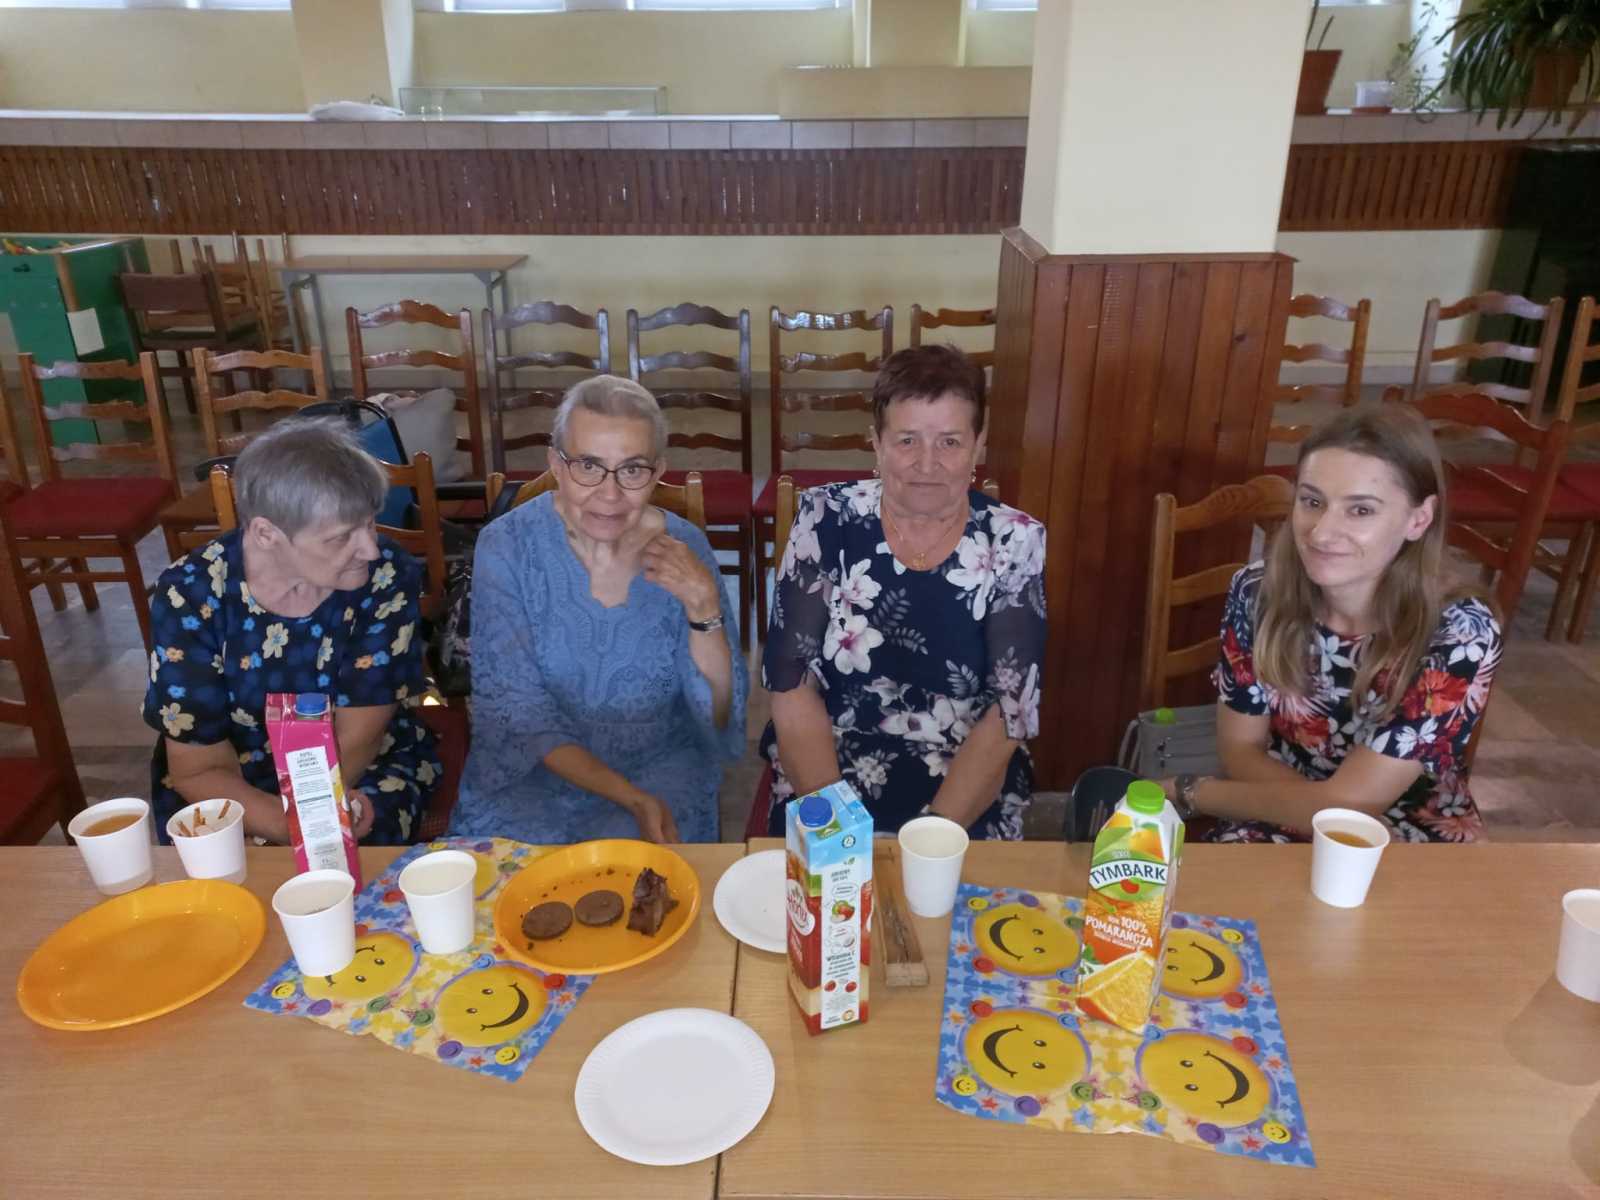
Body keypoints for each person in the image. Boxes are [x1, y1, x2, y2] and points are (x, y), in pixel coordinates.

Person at [1164, 403, 1502, 843]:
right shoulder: (1257, 592)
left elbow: (1356, 807)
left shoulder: (1461, 632)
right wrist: (1317, 809)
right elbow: (1240, 749)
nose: (1321, 533)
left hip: (1408, 830)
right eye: (1312, 501)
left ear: (1418, 519)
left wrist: (1189, 792)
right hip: (1274, 803)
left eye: (1360, 510)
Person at [761, 344, 1047, 838]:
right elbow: (790, 684)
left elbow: (1009, 711)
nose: (926, 464)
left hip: (964, 771)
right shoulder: (825, 518)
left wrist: (931, 839)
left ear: (978, 444)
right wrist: (838, 829)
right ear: (876, 442)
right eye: (907, 440)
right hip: (827, 759)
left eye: (950, 442)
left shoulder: (1014, 541)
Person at [451, 375, 747, 844]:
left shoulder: (686, 547)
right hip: (534, 774)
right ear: (556, 464)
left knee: (639, 875)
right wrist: (630, 798)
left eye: (632, 470)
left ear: (657, 471)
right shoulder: (506, 546)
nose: (609, 494)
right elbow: (520, 712)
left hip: (659, 767)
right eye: (588, 466)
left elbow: (716, 717)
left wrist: (704, 606)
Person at [143, 420, 440, 845]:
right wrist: (286, 827)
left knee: (353, 843)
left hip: (354, 768)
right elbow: (199, 766)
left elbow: (361, 737)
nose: (370, 549)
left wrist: (316, 820)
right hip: (232, 787)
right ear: (266, 533)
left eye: (370, 523)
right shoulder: (189, 595)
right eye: (341, 537)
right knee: (225, 863)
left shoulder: (386, 576)